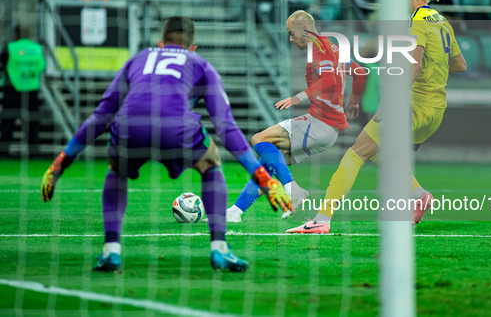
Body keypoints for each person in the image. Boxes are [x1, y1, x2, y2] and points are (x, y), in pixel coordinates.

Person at [40, 17, 290, 273]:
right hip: (177, 128)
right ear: (192, 47)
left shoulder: (139, 59)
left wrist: (61, 161)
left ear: (160, 44)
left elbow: (101, 114)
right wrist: (261, 176)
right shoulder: (200, 63)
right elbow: (226, 126)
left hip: (129, 127)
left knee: (116, 168)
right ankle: (219, 248)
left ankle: (110, 251)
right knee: (211, 160)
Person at [286, 0, 467, 234]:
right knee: (378, 153)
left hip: (411, 107)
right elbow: (459, 64)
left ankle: (321, 220)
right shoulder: (441, 21)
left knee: (355, 153)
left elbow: (414, 67)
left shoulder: (415, 22)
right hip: (436, 111)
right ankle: (418, 194)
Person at [225, 10, 367, 223]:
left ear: (305, 30)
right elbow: (361, 73)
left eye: (292, 33)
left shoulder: (319, 50)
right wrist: (354, 101)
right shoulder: (333, 46)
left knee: (258, 139)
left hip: (319, 123)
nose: (290, 39)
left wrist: (298, 97)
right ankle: (235, 212)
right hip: (329, 132)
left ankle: (293, 189)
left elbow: (328, 80)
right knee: (268, 165)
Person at [0, 25, 46, 157]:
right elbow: (42, 66)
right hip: (31, 89)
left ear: (16, 34)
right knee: (32, 123)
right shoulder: (37, 48)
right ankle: (34, 152)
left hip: (13, 88)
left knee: (8, 122)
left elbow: (3, 64)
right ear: (29, 34)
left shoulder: (10, 48)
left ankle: (3, 151)